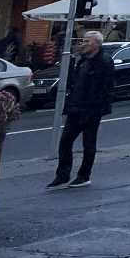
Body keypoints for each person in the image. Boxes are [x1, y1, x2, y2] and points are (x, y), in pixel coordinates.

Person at [48, 30, 115, 190]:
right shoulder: (82, 60)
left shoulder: (104, 62)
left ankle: (84, 176)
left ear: (96, 44)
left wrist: (95, 107)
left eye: (86, 41)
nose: (83, 44)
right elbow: (76, 82)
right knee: (65, 141)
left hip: (92, 109)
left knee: (88, 143)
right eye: (83, 41)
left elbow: (106, 88)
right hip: (76, 107)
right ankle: (62, 175)